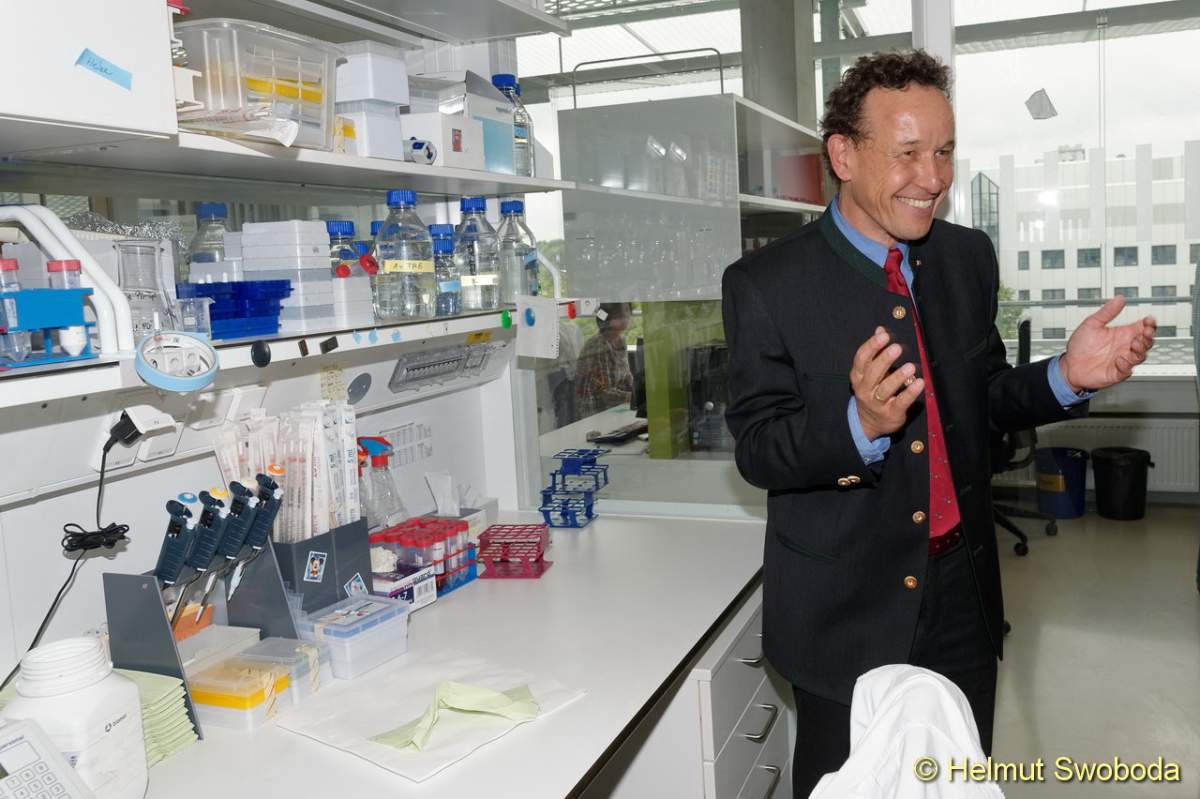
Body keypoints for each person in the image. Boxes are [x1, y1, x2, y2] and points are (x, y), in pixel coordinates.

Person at [720, 50, 1156, 798]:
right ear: (844, 155)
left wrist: (1065, 375)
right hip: (845, 609)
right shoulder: (767, 284)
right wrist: (857, 423)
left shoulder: (967, 258)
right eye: (909, 153)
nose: (934, 177)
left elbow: (981, 399)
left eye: (946, 151)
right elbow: (759, 448)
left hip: (963, 592)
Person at [575, 303, 634, 418]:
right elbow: (603, 393)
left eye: (627, 310)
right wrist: (633, 397)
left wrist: (639, 392)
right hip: (594, 412)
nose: (626, 315)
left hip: (616, 407)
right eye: (620, 313)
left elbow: (626, 378)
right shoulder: (598, 346)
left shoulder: (621, 340)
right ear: (608, 317)